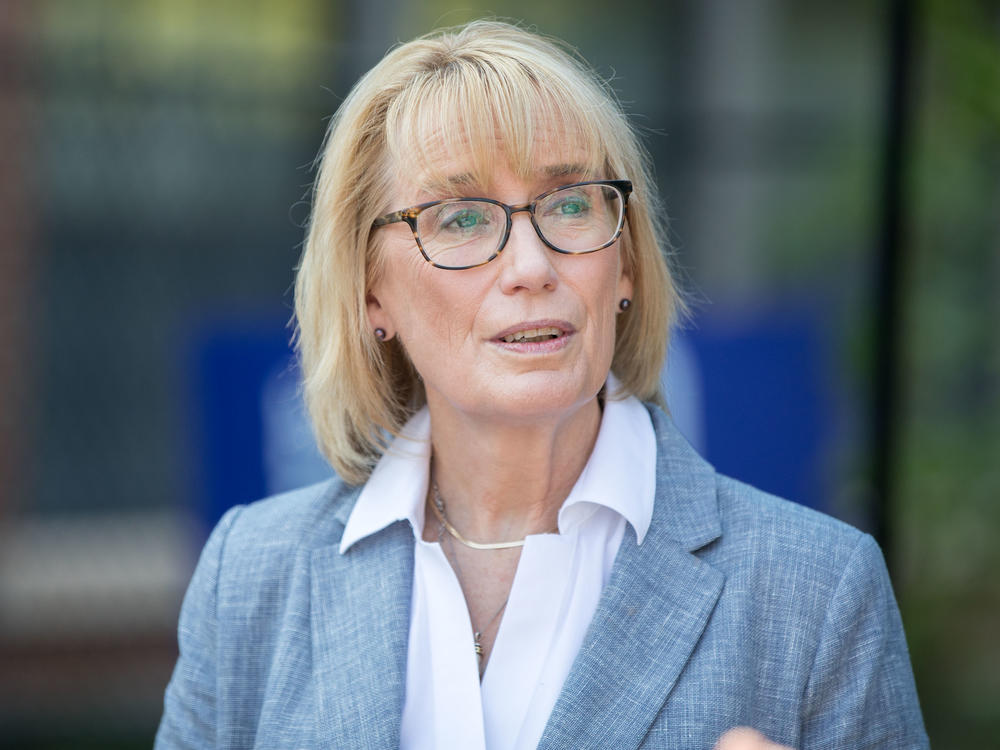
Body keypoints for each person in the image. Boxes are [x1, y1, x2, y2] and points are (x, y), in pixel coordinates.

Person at [155, 20, 928, 749]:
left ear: (624, 264)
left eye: (569, 204)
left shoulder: (816, 592)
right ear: (369, 292)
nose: (531, 267)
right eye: (460, 219)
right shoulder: (250, 577)